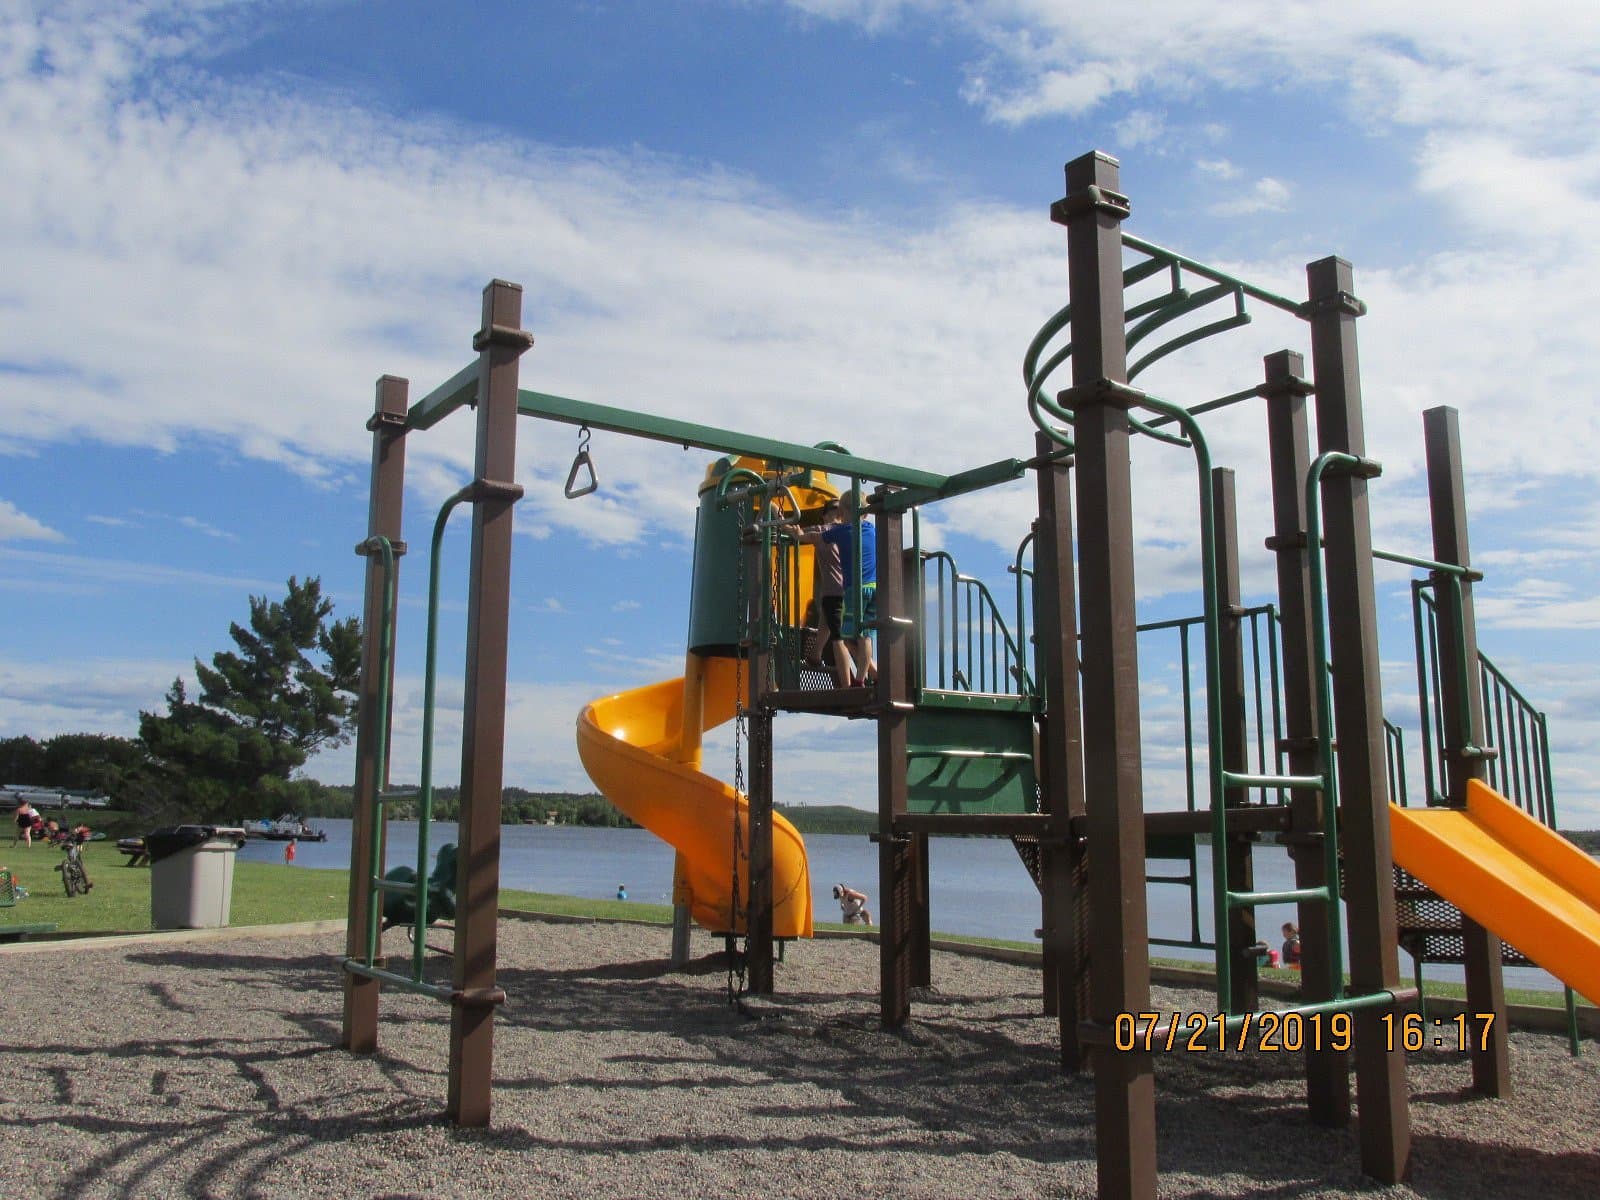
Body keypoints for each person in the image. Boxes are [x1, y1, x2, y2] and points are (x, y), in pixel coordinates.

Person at [822, 491, 876, 687]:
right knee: (866, 636)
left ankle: (860, 679)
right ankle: (865, 676)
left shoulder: (843, 530)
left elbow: (819, 537)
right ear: (866, 514)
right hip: (874, 588)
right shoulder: (871, 528)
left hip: (855, 590)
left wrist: (799, 535)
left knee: (844, 637)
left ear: (843, 513)